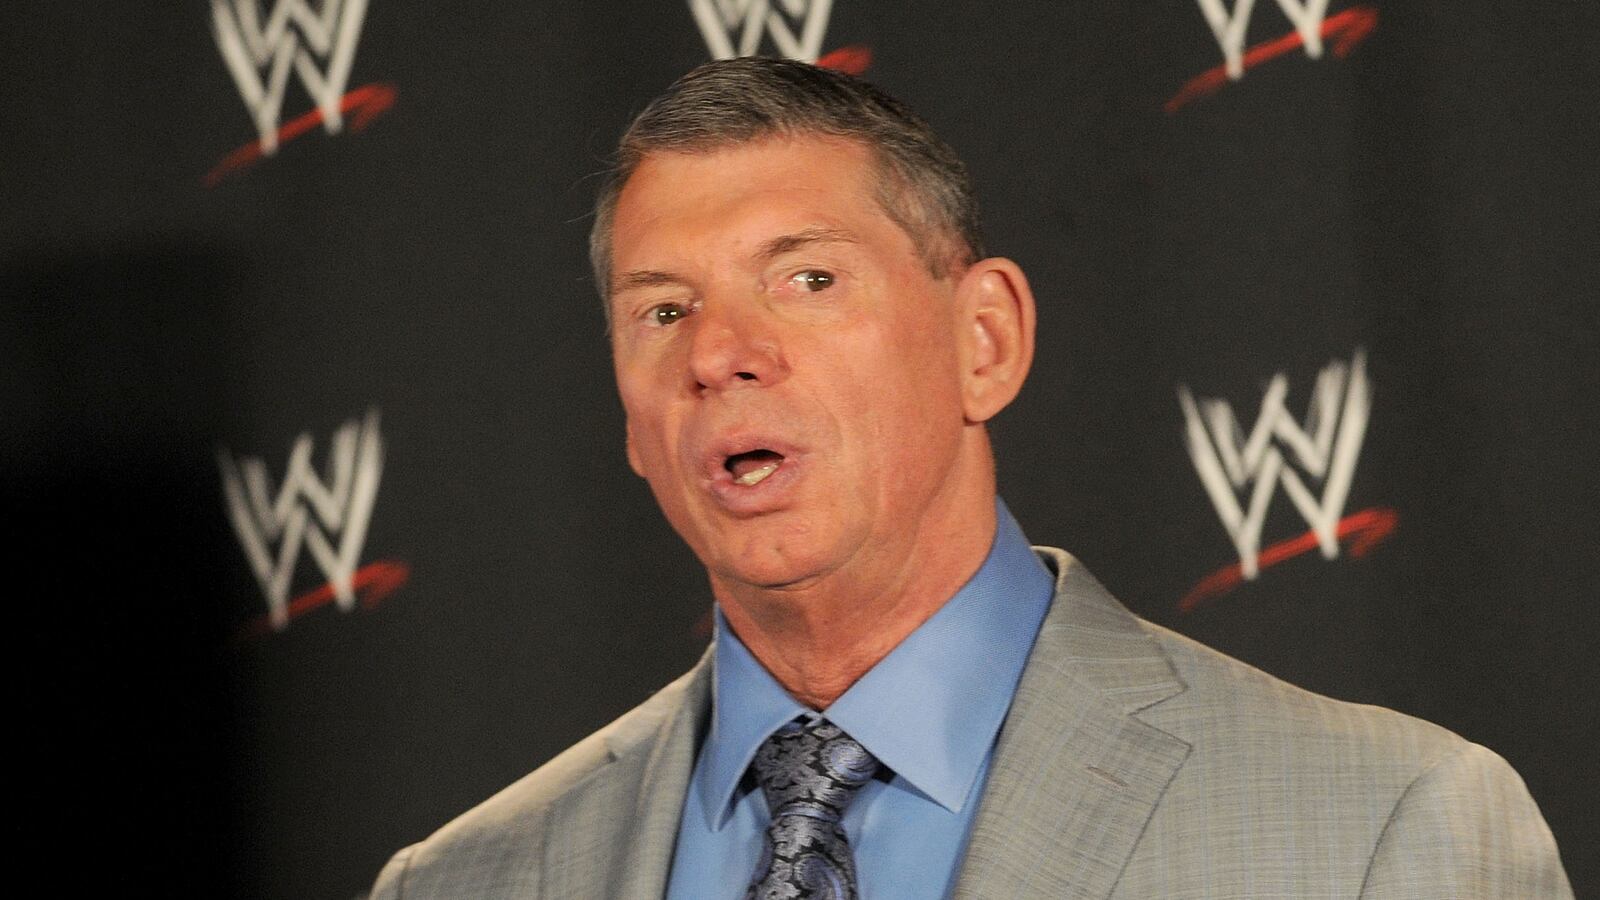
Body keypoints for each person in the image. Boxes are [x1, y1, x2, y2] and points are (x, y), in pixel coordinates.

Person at [370, 58, 1571, 899]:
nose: (720, 354)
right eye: (663, 309)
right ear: (630, 423)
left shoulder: (1380, 826)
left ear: (981, 340)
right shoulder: (468, 880)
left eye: (808, 280)